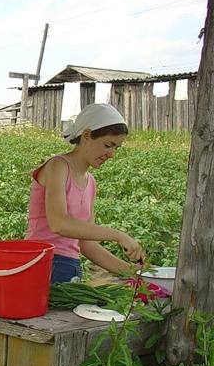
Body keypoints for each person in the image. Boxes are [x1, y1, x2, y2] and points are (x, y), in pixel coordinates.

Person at [25, 103, 145, 284]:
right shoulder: (58, 166)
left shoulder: (90, 182)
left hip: (70, 268)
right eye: (107, 145)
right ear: (87, 135)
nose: (111, 154)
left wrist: (131, 271)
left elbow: (86, 244)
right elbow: (59, 223)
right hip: (42, 262)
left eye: (116, 148)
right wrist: (118, 235)